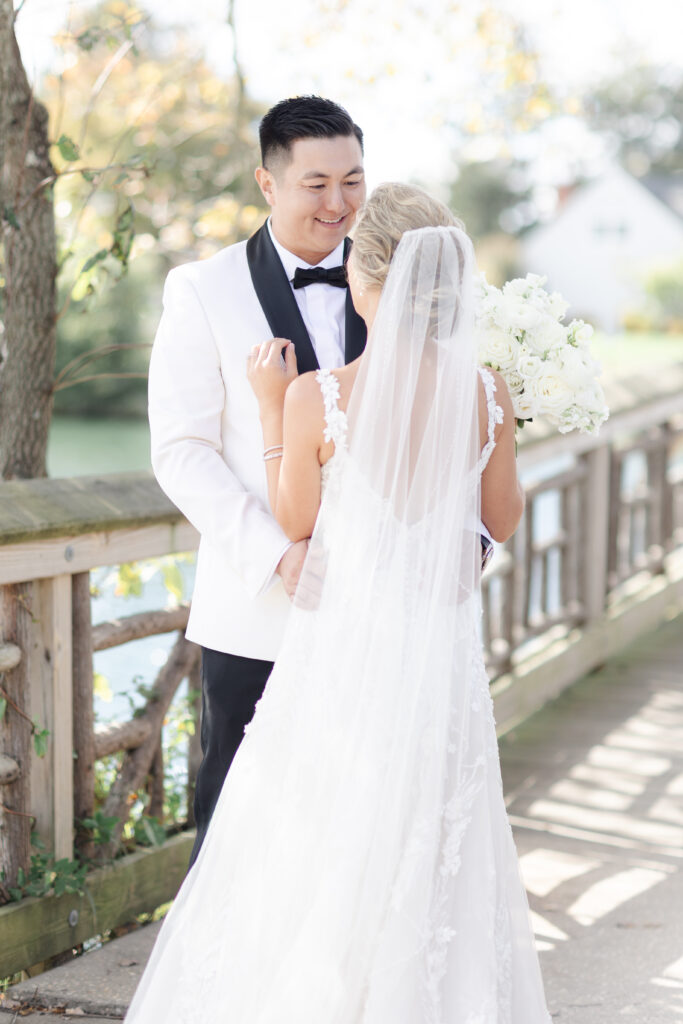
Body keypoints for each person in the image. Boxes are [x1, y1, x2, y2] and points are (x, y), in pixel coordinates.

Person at [126, 182, 551, 1023]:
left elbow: (296, 522)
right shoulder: (489, 393)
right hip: (434, 657)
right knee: (429, 833)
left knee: (314, 833)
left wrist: (268, 415)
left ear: (365, 276)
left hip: (339, 654)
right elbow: (497, 521)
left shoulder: (315, 394)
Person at [148, 96, 367, 865]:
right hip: (258, 603)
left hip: (377, 601)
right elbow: (181, 449)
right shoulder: (201, 290)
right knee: (238, 811)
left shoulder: (397, 278)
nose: (338, 204)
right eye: (316, 184)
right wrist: (278, 552)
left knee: (358, 809)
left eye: (352, 181)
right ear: (268, 184)